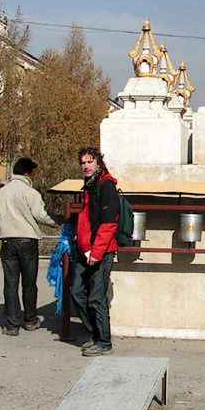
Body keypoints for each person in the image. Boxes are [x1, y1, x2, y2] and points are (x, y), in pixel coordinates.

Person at [0, 157, 58, 335]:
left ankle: (12, 324)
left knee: (10, 283)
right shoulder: (31, 193)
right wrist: (58, 220)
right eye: (33, 174)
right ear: (28, 173)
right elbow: (41, 215)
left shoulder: (0, 193)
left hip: (7, 242)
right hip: (28, 242)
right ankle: (30, 320)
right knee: (29, 283)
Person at [73, 147, 120, 356]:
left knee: (96, 297)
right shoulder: (89, 186)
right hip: (85, 250)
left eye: (90, 162)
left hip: (99, 251)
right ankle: (95, 332)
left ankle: (103, 341)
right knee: (76, 291)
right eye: (83, 162)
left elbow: (109, 224)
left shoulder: (105, 186)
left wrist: (97, 252)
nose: (86, 166)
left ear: (98, 164)